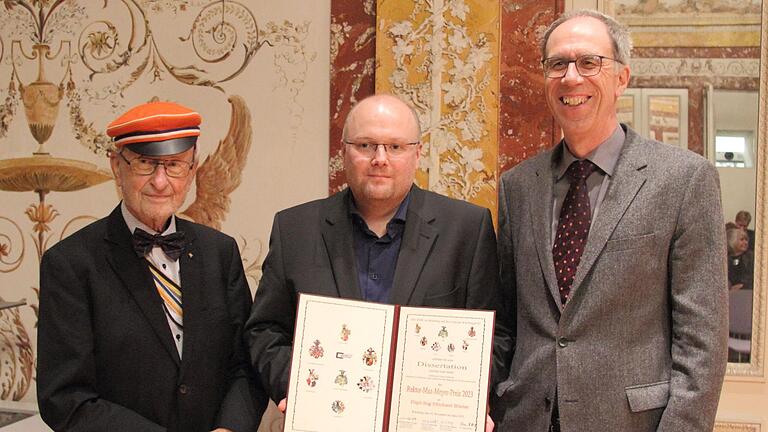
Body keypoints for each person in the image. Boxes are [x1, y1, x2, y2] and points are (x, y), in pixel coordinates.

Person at [493, 10, 727, 432]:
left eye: (588, 63)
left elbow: (702, 343)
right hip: (525, 420)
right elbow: (508, 322)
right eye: (557, 64)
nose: (571, 78)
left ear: (622, 78)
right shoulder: (518, 186)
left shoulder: (684, 179)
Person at [245, 94, 505, 431]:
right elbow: (265, 331)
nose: (380, 159)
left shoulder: (467, 229)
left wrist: (466, 401)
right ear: (344, 151)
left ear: (417, 153)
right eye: (366, 145)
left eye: (395, 147)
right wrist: (297, 387)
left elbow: (495, 337)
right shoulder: (294, 230)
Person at [37, 101, 267, 432]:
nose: (161, 182)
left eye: (174, 165)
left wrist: (230, 427)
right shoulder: (70, 263)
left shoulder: (221, 253)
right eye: (146, 163)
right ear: (117, 166)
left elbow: (245, 364)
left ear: (192, 170)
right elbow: (65, 397)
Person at [727, 227, 753, 291]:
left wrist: (743, 286)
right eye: (742, 239)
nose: (745, 242)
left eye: (746, 239)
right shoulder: (726, 259)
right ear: (732, 241)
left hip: (746, 293)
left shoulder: (751, 257)